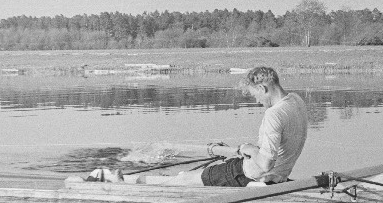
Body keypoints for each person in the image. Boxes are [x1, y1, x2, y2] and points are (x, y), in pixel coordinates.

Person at [89, 66, 307, 186]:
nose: (257, 101)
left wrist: (250, 149)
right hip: (278, 177)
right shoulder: (297, 101)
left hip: (249, 175)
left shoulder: (273, 115)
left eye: (255, 96)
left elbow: (266, 163)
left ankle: (122, 181)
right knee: (193, 176)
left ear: (263, 88)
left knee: (184, 179)